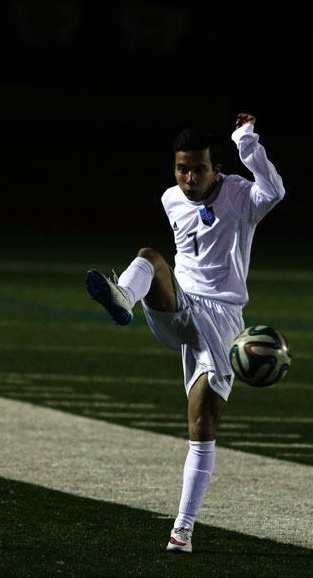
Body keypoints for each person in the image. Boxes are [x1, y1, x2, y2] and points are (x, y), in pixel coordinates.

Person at [84, 113, 285, 553]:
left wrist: (246, 141)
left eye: (198, 168)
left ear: (217, 168)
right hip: (179, 304)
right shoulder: (170, 199)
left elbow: (275, 191)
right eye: (181, 168)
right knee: (151, 257)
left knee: (202, 424)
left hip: (223, 319)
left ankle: (183, 530)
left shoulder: (240, 196)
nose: (189, 178)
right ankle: (123, 297)